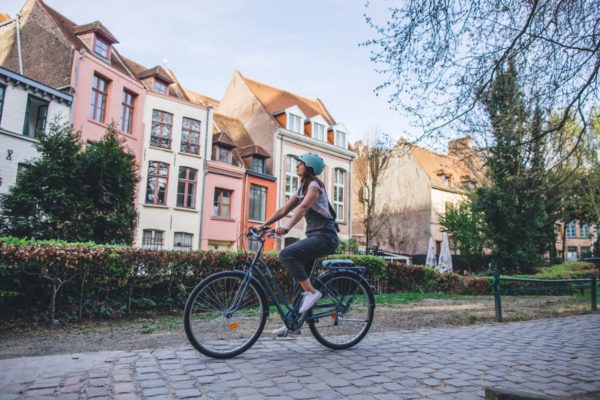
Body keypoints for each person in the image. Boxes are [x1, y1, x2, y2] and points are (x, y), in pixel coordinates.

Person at [258, 153, 339, 336]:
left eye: (300, 163)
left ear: (308, 167)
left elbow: (303, 208)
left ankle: (312, 293)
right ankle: (294, 324)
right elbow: (283, 209)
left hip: (325, 236)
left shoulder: (314, 186)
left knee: (286, 254)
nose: (296, 166)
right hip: (315, 236)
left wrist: (287, 227)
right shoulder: (302, 188)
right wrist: (262, 226)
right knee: (298, 278)